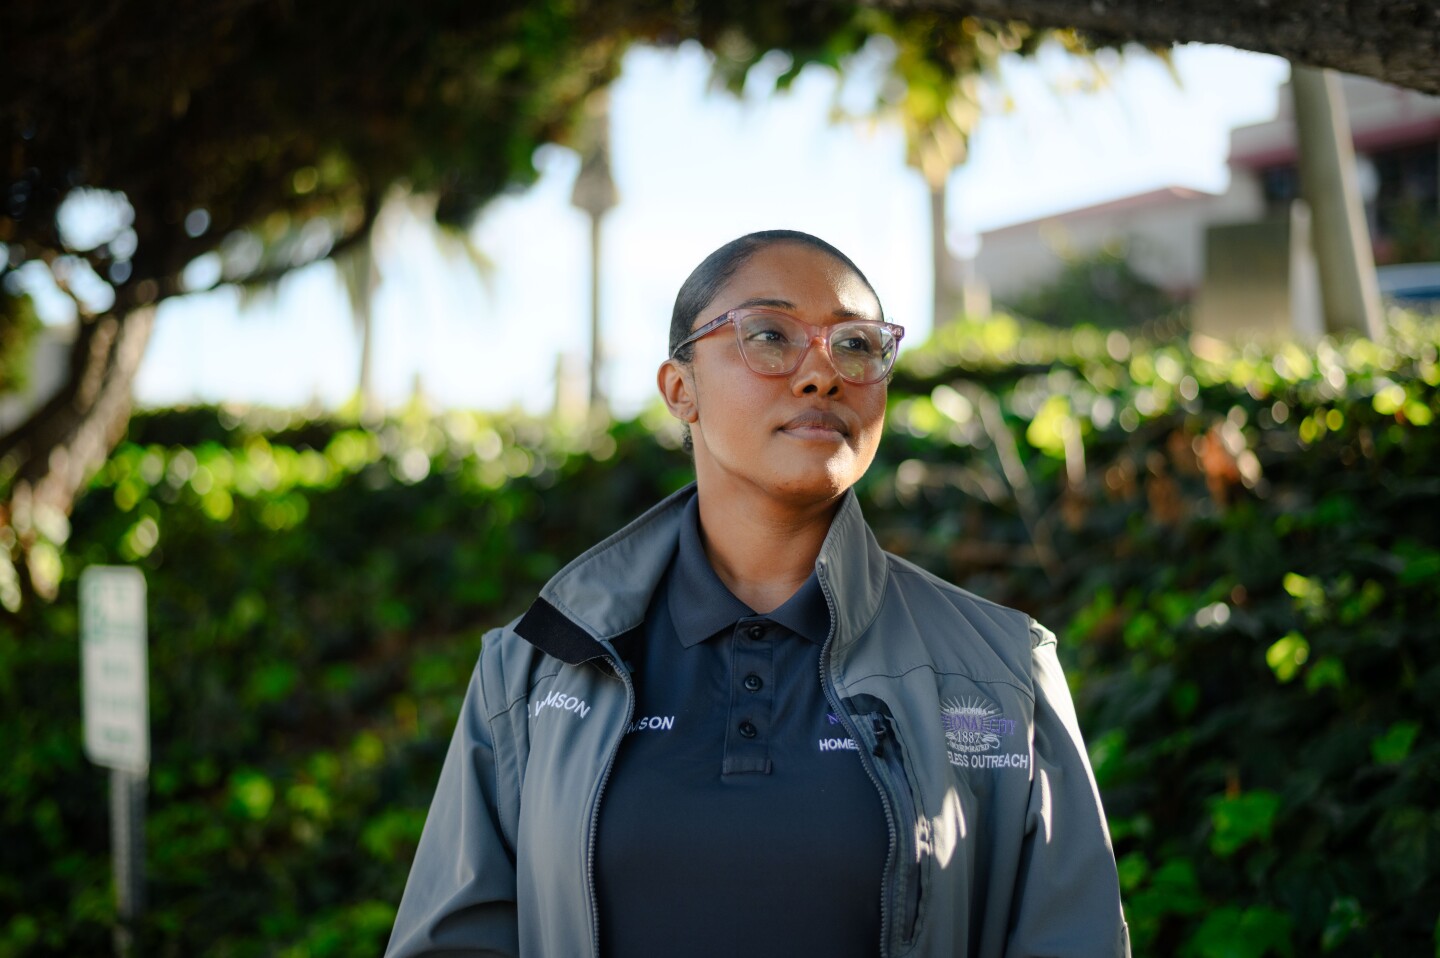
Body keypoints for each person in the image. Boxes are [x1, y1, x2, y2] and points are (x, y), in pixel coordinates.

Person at [384, 230, 1129, 958]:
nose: (822, 373)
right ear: (681, 389)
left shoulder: (1001, 672)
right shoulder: (533, 671)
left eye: (857, 344)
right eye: (769, 336)